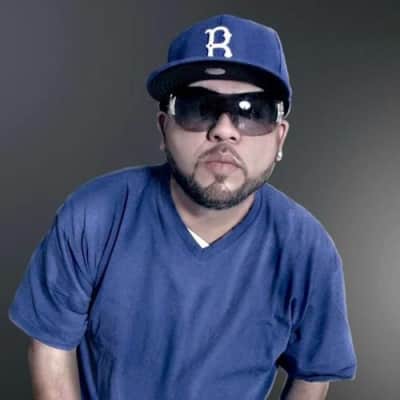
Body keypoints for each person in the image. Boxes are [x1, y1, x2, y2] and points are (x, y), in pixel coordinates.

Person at [8, 14, 357, 400]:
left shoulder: (307, 250)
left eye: (252, 110)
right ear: (163, 128)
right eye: (197, 107)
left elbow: (312, 376)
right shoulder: (94, 216)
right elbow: (51, 348)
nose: (224, 130)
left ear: (279, 138)